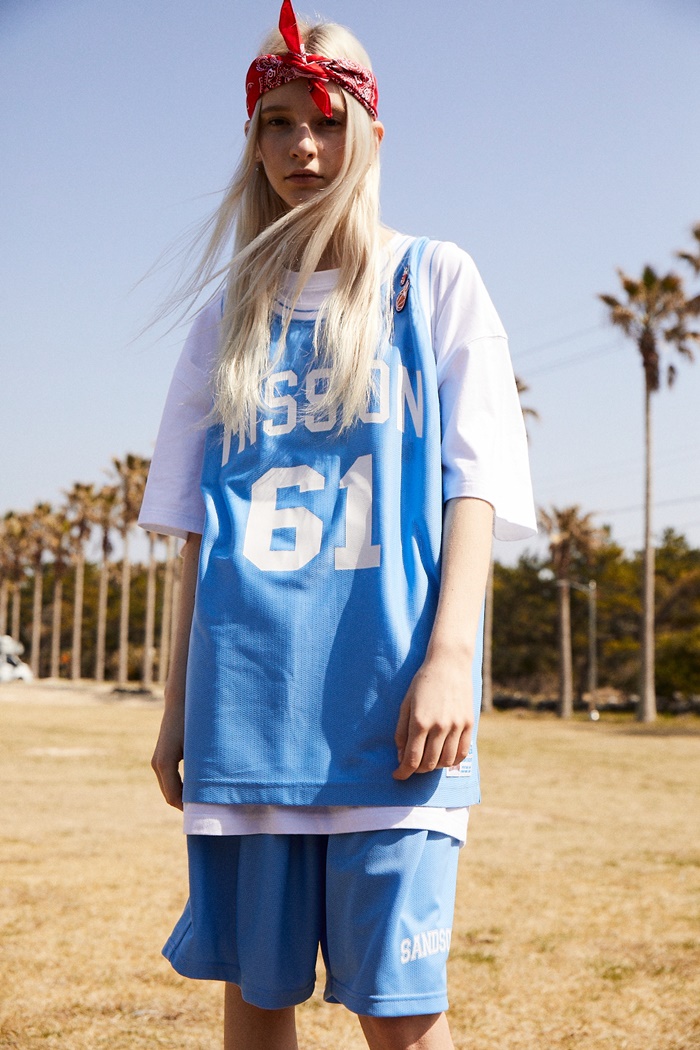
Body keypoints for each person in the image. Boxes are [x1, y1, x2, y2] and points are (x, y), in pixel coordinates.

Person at [139, 3, 536, 1048]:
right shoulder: (226, 318)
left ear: (371, 132)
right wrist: (177, 708)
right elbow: (192, 534)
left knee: (400, 1019)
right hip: (247, 711)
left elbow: (476, 484)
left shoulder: (432, 280)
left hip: (390, 712)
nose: (301, 147)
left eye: (324, 120)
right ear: (251, 139)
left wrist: (450, 658)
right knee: (257, 1006)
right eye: (276, 123)